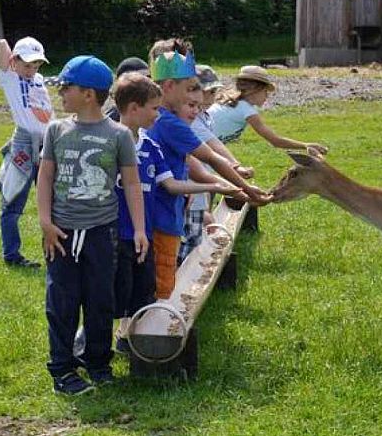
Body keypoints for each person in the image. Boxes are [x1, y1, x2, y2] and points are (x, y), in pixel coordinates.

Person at [37, 55, 148, 395]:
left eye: (66, 88)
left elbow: (131, 184)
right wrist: (45, 222)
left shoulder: (118, 135)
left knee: (101, 300)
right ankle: (63, 370)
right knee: (62, 302)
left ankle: (97, 363)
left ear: (88, 94)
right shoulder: (56, 130)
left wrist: (140, 229)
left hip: (103, 232)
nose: (60, 94)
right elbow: (45, 177)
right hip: (61, 234)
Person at [112, 72, 241, 352]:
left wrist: (216, 184)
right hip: (116, 232)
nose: (158, 116)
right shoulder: (110, 143)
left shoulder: (151, 146)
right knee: (117, 288)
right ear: (134, 108)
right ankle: (113, 336)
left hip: (144, 231)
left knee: (146, 286)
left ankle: (133, 335)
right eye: (154, 109)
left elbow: (170, 184)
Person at [145, 40, 270, 300]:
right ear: (169, 87)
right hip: (161, 214)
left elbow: (195, 167)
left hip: (166, 210)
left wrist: (236, 189)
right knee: (159, 282)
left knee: (153, 278)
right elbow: (211, 158)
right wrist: (245, 189)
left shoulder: (158, 118)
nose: (193, 95)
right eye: (188, 88)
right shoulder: (170, 123)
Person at [180, 64, 255, 260]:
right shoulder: (193, 120)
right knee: (191, 235)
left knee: (202, 213)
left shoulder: (205, 116)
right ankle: (186, 270)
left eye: (214, 91)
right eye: (209, 92)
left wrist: (234, 168)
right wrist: (235, 167)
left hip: (202, 181)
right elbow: (213, 148)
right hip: (191, 184)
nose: (213, 96)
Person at [0, 36, 53, 268]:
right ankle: (12, 255)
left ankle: (53, 249)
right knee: (13, 200)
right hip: (24, 143)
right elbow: (0, 45)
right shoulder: (9, 77)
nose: (32, 70)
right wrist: (10, 61)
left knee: (51, 200)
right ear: (14, 61)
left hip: (46, 141)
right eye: (27, 64)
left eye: (36, 64)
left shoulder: (39, 79)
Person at [208, 65, 328, 154]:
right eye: (265, 91)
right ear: (253, 89)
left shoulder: (232, 103)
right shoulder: (246, 110)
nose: (267, 96)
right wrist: (305, 145)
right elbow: (275, 141)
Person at [103, 57, 151, 121]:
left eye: (149, 79)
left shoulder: (153, 112)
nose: (147, 87)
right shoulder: (111, 121)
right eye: (139, 83)